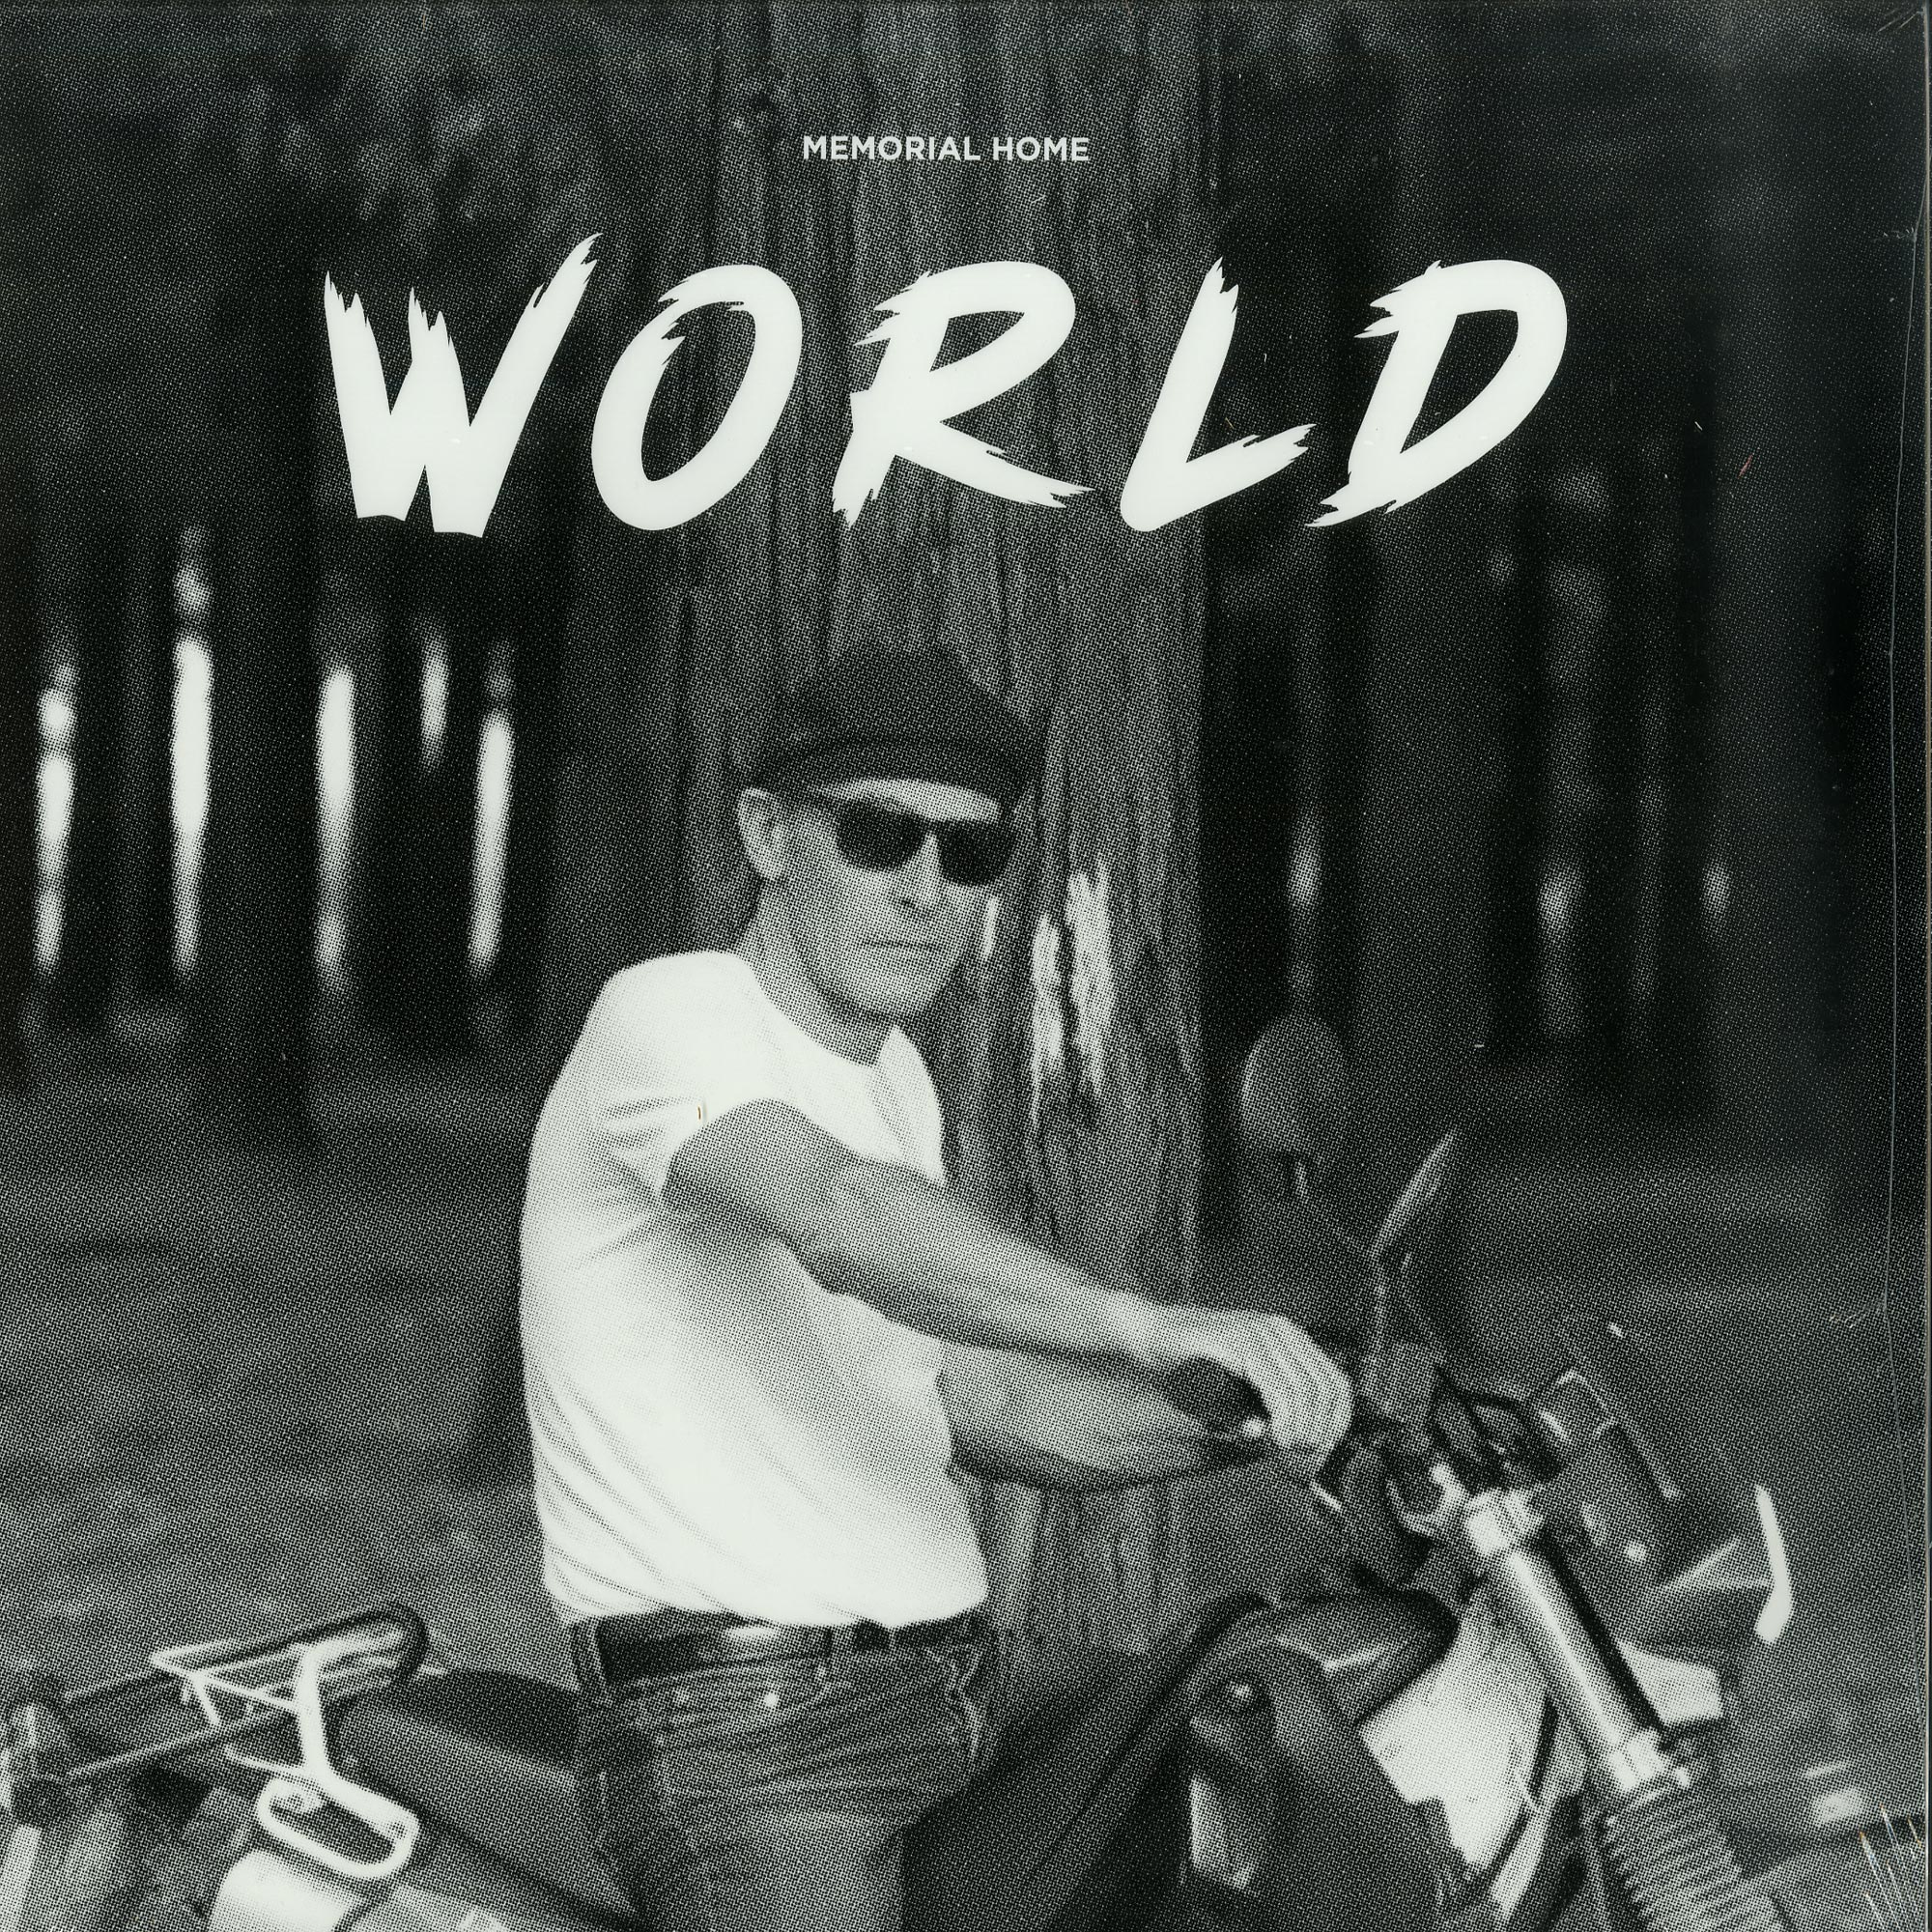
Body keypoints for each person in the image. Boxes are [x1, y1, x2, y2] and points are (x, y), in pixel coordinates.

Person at [520, 645, 1353, 1932]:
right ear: (767, 834)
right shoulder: (670, 1017)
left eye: (971, 853)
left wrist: (1255, 1416)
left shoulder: (895, 1080)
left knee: (1281, 1772)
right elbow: (839, 1217)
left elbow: (976, 1400)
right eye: (877, 836)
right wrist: (1142, 1324)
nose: (926, 891)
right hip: (747, 1737)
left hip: (960, 1685)